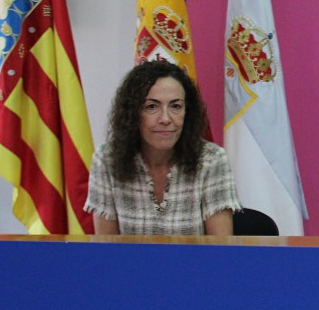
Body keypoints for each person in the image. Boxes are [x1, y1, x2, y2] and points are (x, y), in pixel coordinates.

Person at [85, 59, 240, 235]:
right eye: (151, 107)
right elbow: (107, 247)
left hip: (193, 256)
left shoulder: (211, 159)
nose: (165, 119)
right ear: (133, 113)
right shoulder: (107, 160)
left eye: (175, 106)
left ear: (187, 112)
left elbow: (220, 247)